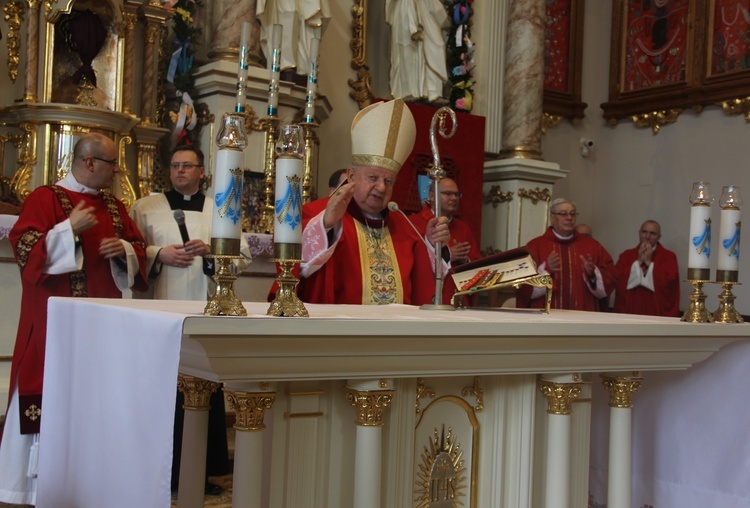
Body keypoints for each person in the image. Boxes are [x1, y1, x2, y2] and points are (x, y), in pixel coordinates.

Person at [0, 133, 148, 505]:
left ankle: (89, 482)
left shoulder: (115, 207)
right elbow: (24, 248)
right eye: (112, 164)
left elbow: (140, 248)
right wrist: (68, 231)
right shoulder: (45, 198)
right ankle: (31, 487)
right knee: (47, 392)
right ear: (89, 163)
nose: (117, 172)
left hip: (101, 326)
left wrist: (125, 249)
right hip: (54, 325)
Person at [129, 145, 252, 495]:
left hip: (204, 308)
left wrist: (211, 253)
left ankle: (204, 470)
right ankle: (158, 467)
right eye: (175, 166)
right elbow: (132, 249)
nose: (180, 171)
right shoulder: (147, 206)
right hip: (162, 308)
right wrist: (158, 254)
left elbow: (239, 256)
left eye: (188, 166)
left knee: (202, 388)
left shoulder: (220, 208)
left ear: (202, 172)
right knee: (162, 391)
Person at [294, 98, 450, 305]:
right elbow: (300, 268)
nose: (382, 187)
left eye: (388, 181)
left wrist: (431, 243)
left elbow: (426, 281)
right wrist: (327, 225)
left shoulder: (403, 226)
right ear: (351, 176)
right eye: (373, 178)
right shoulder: (320, 213)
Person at [517, 198, 615, 311]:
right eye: (563, 214)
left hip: (583, 314)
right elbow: (523, 288)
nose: (569, 218)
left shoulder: (592, 246)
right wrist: (546, 271)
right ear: (552, 218)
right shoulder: (535, 246)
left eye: (572, 214)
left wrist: (592, 275)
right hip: (548, 317)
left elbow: (610, 279)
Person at [410, 177, 481, 303]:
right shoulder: (414, 223)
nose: (453, 198)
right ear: (432, 196)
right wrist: (446, 255)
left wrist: (465, 260)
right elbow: (410, 262)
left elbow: (478, 266)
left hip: (458, 300)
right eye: (448, 193)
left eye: (456, 194)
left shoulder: (464, 229)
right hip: (427, 300)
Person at [613, 220, 680, 317]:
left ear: (659, 237)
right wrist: (639, 262)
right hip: (630, 310)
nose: (647, 236)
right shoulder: (626, 255)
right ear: (639, 233)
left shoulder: (669, 257)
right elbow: (617, 279)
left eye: (652, 233)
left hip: (655, 311)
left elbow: (669, 283)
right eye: (644, 232)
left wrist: (649, 263)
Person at [385, 0, 449, 101]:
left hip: (427, 8)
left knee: (435, 45)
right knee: (407, 51)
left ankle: (432, 93)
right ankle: (407, 92)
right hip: (405, 9)